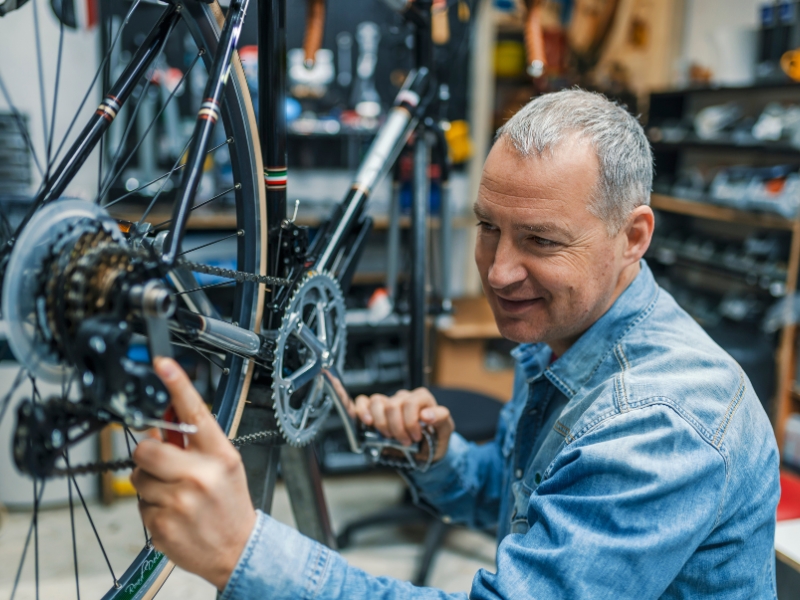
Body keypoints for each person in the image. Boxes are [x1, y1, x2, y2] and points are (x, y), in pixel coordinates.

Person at [131, 89, 780, 599]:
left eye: (541, 240)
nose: (498, 271)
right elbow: (531, 499)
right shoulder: (568, 332)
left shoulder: (658, 423)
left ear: (633, 236)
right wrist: (441, 459)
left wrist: (243, 551)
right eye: (488, 227)